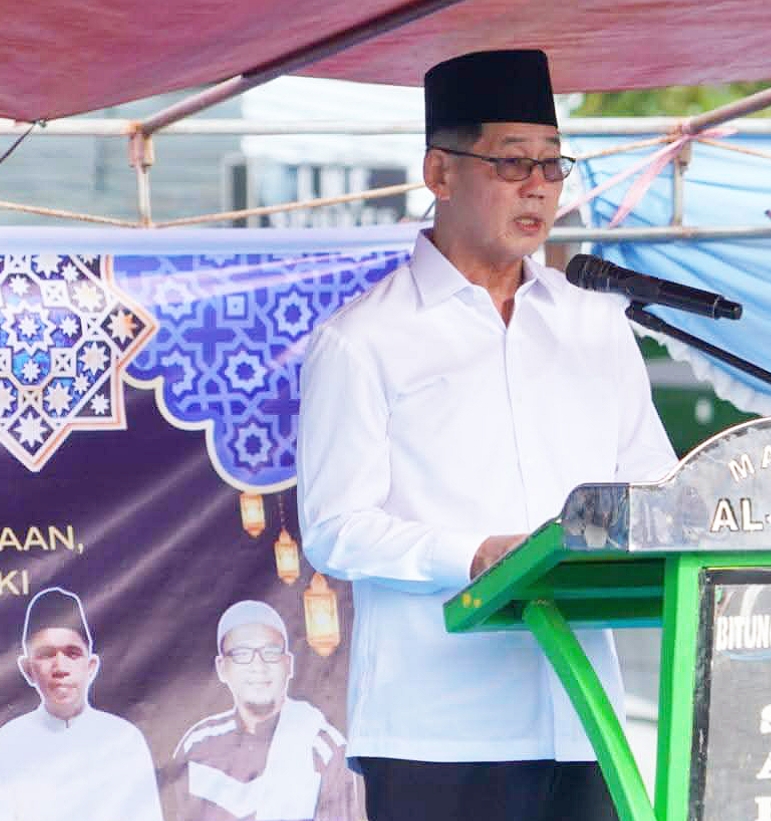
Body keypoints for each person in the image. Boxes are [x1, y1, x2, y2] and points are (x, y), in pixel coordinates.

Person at [295, 48, 677, 821]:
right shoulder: (364, 340)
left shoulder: (595, 324)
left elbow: (655, 489)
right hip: (437, 727)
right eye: (512, 163)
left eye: (552, 164)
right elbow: (336, 529)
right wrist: (472, 555)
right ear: (440, 173)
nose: (538, 185)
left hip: (585, 721)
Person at [170, 600, 357, 821]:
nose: (257, 666)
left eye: (270, 652)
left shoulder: (323, 749)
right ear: (222, 668)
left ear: (288, 664)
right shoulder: (198, 744)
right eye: (241, 653)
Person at [0, 587, 163, 821]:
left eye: (72, 653)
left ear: (91, 666)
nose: (60, 668)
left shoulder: (124, 739)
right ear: (28, 669)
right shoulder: (7, 742)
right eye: (46, 654)